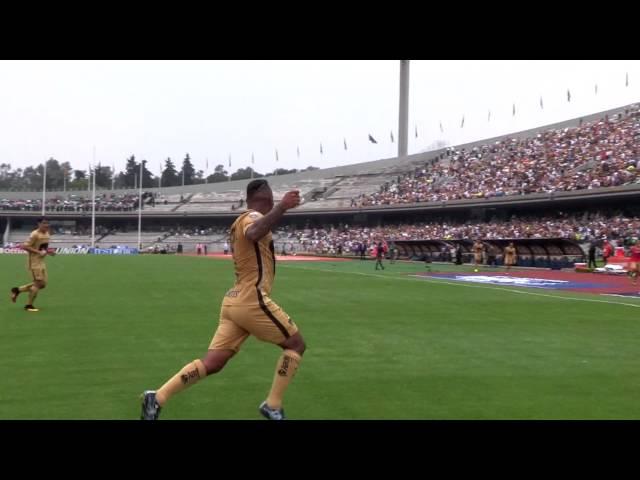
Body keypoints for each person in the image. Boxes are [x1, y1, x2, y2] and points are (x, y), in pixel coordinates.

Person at [141, 180, 305, 420]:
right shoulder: (251, 217)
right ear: (267, 200)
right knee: (296, 345)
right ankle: (273, 404)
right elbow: (253, 232)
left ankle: (157, 398)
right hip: (252, 299)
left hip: (234, 301)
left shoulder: (242, 219)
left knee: (213, 363)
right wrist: (281, 208)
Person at [10, 218, 55, 312]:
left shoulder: (47, 233)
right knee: (38, 284)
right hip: (34, 262)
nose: (46, 225)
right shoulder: (34, 234)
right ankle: (29, 305)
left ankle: (17, 290)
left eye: (47, 223)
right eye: (44, 223)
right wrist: (38, 252)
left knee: (43, 284)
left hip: (41, 262)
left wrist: (48, 251)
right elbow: (24, 246)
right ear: (39, 224)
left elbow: (43, 247)